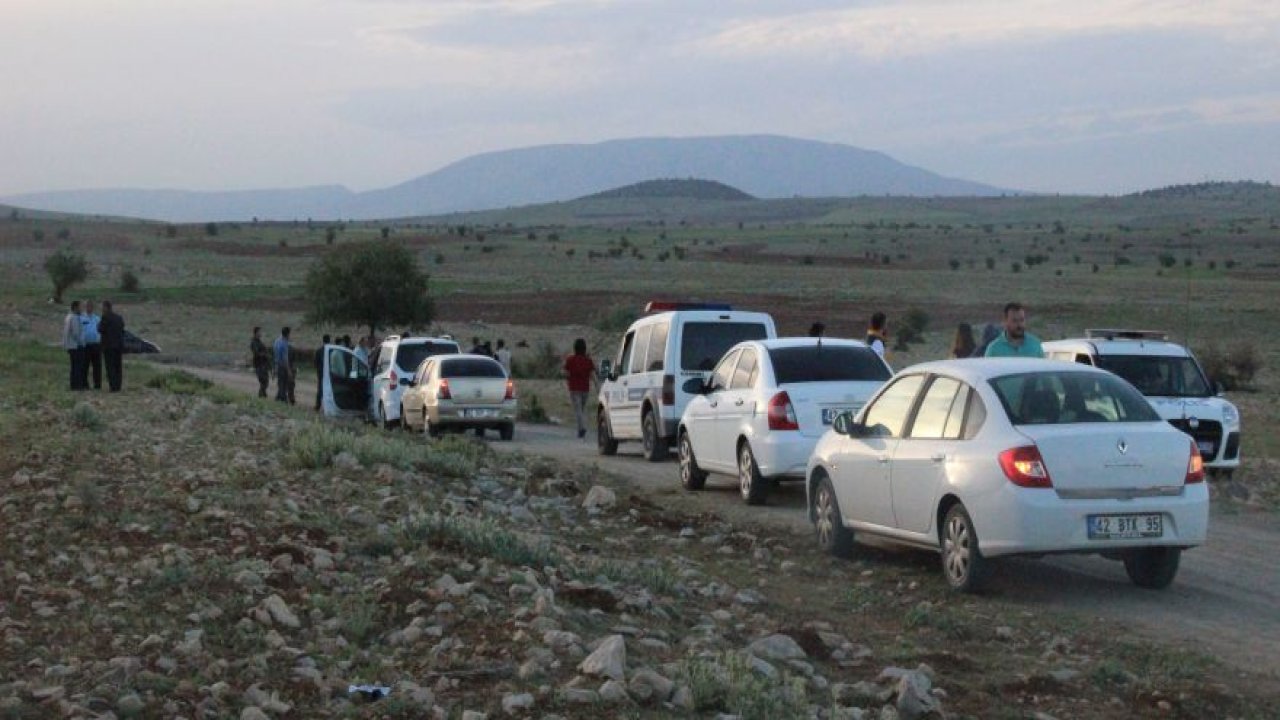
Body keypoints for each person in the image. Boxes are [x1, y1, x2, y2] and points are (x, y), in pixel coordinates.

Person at [563, 338, 595, 440]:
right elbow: (593, 374)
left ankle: (581, 428)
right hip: (585, 389)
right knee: (581, 409)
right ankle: (581, 428)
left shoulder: (570, 359)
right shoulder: (588, 360)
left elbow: (565, 372)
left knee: (578, 410)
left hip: (574, 388)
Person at [99, 300, 125, 392]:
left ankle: (113, 386)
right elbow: (122, 329)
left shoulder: (105, 318)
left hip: (108, 346)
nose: (101, 309)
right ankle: (118, 385)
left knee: (110, 367)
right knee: (118, 366)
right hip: (118, 345)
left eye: (102, 307)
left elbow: (100, 329)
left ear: (106, 307)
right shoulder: (119, 318)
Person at [62, 300, 85, 391]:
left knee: (74, 366)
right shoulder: (74, 317)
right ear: (75, 307)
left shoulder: (68, 317)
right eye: (80, 307)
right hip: (76, 346)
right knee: (78, 366)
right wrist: (81, 342)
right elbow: (76, 333)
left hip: (71, 345)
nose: (81, 309)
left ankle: (74, 385)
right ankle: (77, 385)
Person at [80, 299, 103, 390]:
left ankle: (97, 385)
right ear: (85, 307)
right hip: (86, 345)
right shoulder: (81, 318)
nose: (89, 308)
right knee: (85, 365)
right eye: (87, 306)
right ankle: (85, 385)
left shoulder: (97, 318)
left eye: (91, 306)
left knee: (97, 366)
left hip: (96, 345)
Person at [274, 326, 295, 404]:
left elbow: (275, 355)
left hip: (277, 364)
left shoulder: (277, 341)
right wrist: (289, 370)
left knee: (280, 382)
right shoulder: (284, 343)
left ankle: (278, 398)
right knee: (284, 383)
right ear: (287, 334)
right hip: (283, 366)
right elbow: (285, 358)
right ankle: (283, 400)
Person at [250, 327, 272, 398]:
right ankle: (261, 395)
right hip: (259, 364)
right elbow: (257, 353)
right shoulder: (254, 342)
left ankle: (263, 395)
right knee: (263, 381)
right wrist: (265, 355)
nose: (261, 333)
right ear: (256, 333)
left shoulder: (259, 342)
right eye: (259, 332)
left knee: (265, 381)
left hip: (263, 364)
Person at [315, 334, 332, 411]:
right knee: (329, 389)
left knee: (320, 389)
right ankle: (328, 406)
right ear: (329, 340)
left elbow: (315, 363)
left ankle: (318, 405)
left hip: (321, 373)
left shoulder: (319, 350)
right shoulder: (331, 350)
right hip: (330, 373)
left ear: (323, 340)